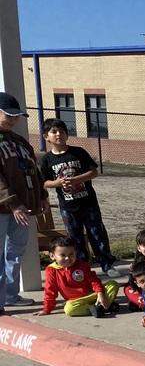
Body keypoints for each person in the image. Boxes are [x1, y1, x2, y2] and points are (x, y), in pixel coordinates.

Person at [37, 118, 119, 277]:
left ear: (67, 135)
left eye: (61, 131)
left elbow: (93, 172)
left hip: (88, 203)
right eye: (54, 132)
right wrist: (58, 183)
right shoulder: (46, 159)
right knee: (75, 237)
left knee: (97, 234)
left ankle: (107, 264)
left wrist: (77, 179)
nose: (58, 134)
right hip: (68, 207)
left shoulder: (78, 152)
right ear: (46, 137)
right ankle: (81, 267)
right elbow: (45, 182)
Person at [0, 92, 45, 312]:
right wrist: (12, 202)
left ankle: (9, 294)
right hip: (4, 208)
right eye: (9, 115)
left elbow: (33, 170)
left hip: (23, 208)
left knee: (15, 253)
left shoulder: (19, 141)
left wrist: (42, 197)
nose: (13, 120)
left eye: (16, 116)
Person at [33, 235, 118, 318]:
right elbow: (50, 291)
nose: (67, 258)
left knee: (113, 284)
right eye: (62, 255)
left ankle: (103, 303)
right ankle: (101, 308)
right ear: (52, 256)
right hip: (76, 301)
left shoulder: (81, 265)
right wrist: (47, 309)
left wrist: (100, 293)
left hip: (93, 295)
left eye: (71, 254)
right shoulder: (51, 270)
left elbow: (93, 280)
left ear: (75, 252)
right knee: (69, 309)